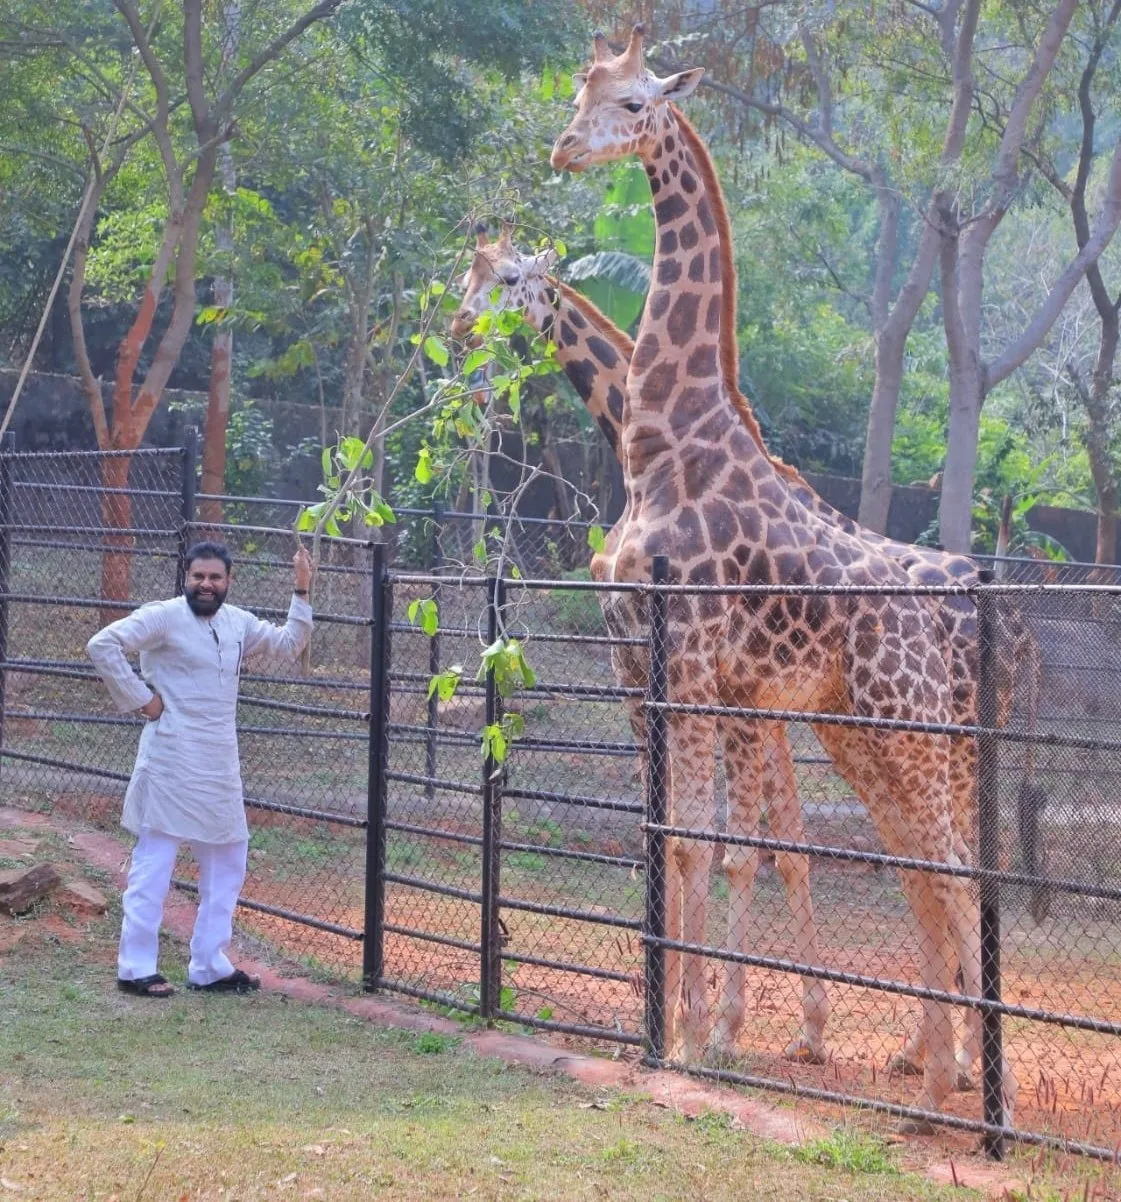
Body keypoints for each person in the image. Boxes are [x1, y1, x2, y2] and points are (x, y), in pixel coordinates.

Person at [86, 540, 314, 998]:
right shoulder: (164, 616)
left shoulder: (237, 624)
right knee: (155, 863)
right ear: (186, 579)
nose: (206, 585)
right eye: (198, 577)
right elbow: (103, 644)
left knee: (229, 860)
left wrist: (302, 589)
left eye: (215, 578)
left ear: (228, 582)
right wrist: (143, 701)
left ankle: (209, 965)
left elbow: (290, 644)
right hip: (170, 756)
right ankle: (135, 968)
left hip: (219, 762)